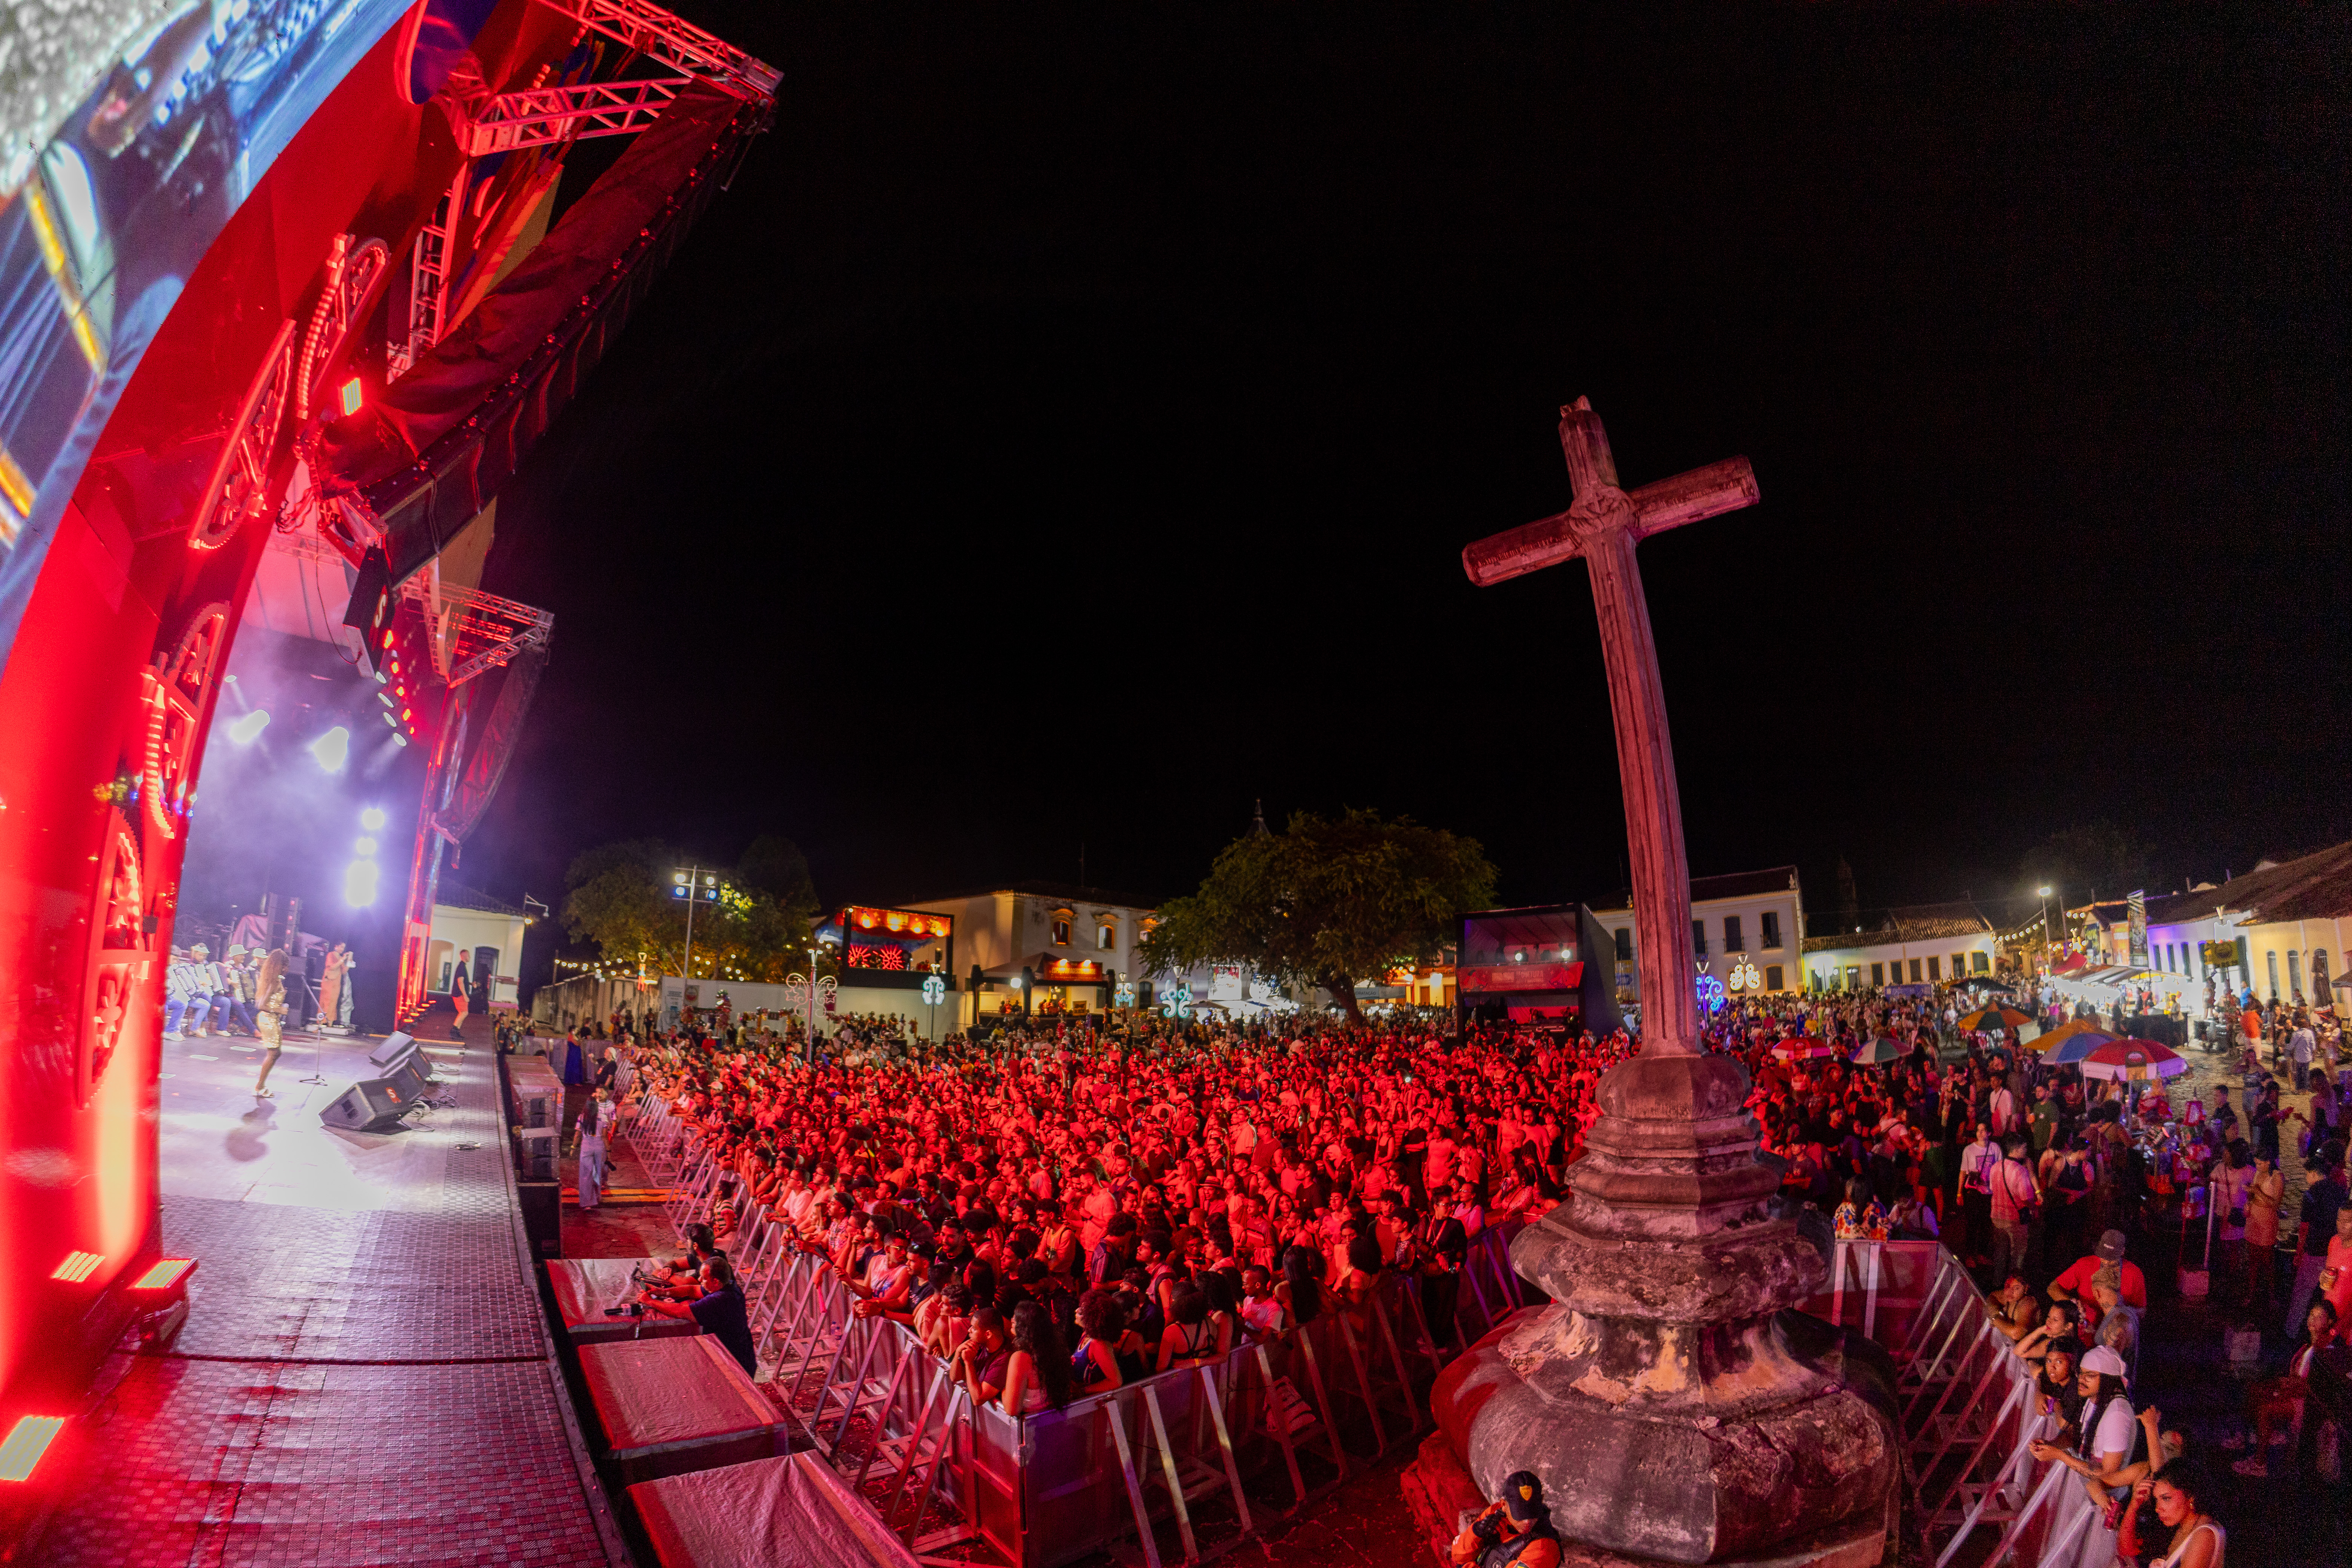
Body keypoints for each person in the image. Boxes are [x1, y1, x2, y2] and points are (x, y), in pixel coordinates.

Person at [2227, 1298, 2337, 1477]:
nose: (2312, 1320)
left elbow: (2311, 1387)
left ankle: (2260, 1463)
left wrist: (2281, 1387)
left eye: (2319, 1317)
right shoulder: (2307, 1345)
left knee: (2265, 1406)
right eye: (2312, 1315)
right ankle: (2246, 1436)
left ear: (2330, 1322)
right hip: (2293, 1393)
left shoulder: (2325, 1350)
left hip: (2303, 1404)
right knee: (2253, 1389)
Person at [637, 1256, 757, 1374]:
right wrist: (664, 1292)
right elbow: (692, 1290)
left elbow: (681, 1311)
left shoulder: (718, 1301)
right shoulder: (728, 1285)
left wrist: (650, 1301)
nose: (700, 1280)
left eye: (704, 1278)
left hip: (735, 1363)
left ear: (715, 1282)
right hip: (739, 1354)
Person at [2116, 1459, 2224, 1568]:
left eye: (2166, 1498)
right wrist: (2134, 1505)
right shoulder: (2181, 1526)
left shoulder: (2204, 1535)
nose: (2158, 1509)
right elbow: (2127, 1552)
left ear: (2190, 1496)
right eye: (2157, 1500)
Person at [1447, 1469, 1563, 1568]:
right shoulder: (1495, 1514)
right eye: (1521, 1516)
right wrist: (1475, 1533)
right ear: (1504, 1505)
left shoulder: (1544, 1548)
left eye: (1532, 1514)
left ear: (1541, 1500)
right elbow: (1458, 1556)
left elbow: (1463, 1563)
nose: (1528, 1522)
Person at [997, 1300, 1076, 1415]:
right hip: (1058, 1421)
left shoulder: (1021, 1358)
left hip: (1034, 1428)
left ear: (1025, 1327)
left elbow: (1012, 1410)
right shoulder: (1056, 1349)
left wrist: (1003, 1390)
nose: (1012, 1320)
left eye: (1016, 1318)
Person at [2049, 1228, 2148, 1310]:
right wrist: (2073, 1305)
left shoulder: (2135, 1274)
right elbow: (2052, 1288)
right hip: (2085, 1327)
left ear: (2122, 1252)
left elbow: (2142, 1311)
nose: (2106, 1261)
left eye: (2111, 1258)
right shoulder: (2085, 1264)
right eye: (2103, 1256)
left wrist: (2120, 1312)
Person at [251, 948, 290, 1098]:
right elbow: (261, 1005)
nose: (286, 969)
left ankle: (261, 1085)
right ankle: (260, 1086)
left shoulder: (274, 980)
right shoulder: (273, 981)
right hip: (268, 1018)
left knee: (276, 1052)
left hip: (272, 1018)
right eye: (284, 965)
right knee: (273, 1053)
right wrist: (279, 1010)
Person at [573, 1089, 608, 1211]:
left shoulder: (582, 1117)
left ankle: (587, 1202)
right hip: (599, 1147)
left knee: (585, 1175)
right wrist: (608, 1150)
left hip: (587, 1146)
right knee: (598, 1172)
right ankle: (597, 1197)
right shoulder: (603, 1118)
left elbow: (578, 1135)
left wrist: (573, 1147)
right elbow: (604, 1136)